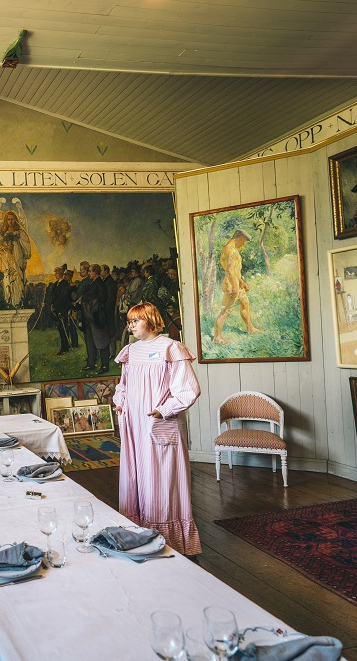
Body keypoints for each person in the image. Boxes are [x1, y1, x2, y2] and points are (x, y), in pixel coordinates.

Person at [113, 302, 203, 555]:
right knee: (136, 473)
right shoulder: (130, 351)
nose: (130, 326)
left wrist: (164, 410)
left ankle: (167, 540)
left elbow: (188, 389)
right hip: (134, 424)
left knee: (161, 477)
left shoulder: (171, 348)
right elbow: (124, 385)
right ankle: (137, 535)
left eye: (135, 321)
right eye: (129, 322)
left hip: (159, 422)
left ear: (150, 321)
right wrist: (121, 402)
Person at [213, 230, 258, 344]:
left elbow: (235, 270)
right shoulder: (231, 250)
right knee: (226, 310)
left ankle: (250, 328)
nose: (243, 244)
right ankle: (217, 337)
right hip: (231, 284)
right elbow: (230, 270)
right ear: (240, 238)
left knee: (245, 303)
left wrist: (241, 282)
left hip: (236, 283)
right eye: (244, 241)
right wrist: (234, 286)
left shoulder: (229, 249)